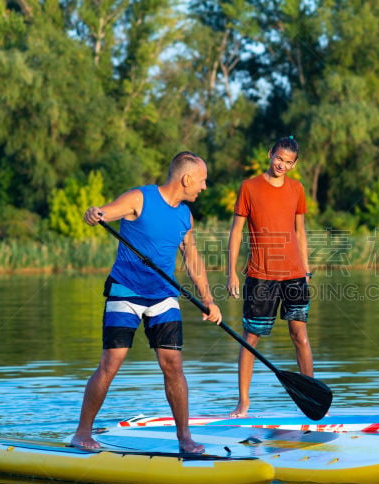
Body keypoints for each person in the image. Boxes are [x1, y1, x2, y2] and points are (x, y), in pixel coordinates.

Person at [71, 151, 222, 453]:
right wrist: (95, 213)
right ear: (187, 178)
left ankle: (185, 438)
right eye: (202, 181)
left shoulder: (185, 215)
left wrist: (208, 300)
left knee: (174, 366)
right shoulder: (140, 198)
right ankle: (82, 433)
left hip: (163, 295)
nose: (204, 187)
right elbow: (108, 212)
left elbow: (192, 258)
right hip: (125, 291)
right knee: (111, 363)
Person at [226, 136, 313, 418]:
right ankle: (243, 402)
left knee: (299, 334)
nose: (282, 165)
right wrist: (231, 273)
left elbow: (300, 231)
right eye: (279, 159)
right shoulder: (249, 187)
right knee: (251, 337)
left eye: (288, 162)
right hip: (260, 275)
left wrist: (306, 270)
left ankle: (310, 396)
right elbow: (237, 231)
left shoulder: (297, 189)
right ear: (269, 154)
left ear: (295, 163)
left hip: (294, 274)